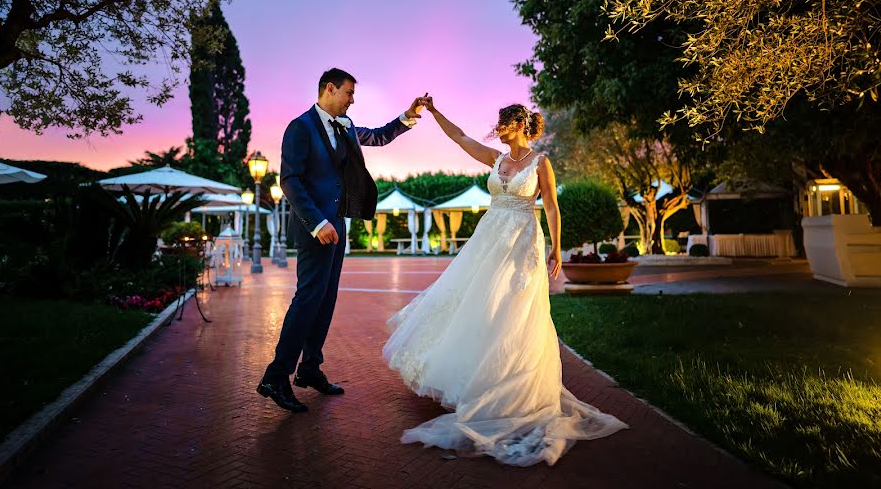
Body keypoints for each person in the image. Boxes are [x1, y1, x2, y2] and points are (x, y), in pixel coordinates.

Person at [383, 97, 628, 466]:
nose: (497, 128)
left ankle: (510, 389)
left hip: (521, 242)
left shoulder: (540, 162)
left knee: (511, 310)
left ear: (519, 124)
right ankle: (474, 381)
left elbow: (551, 206)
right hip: (487, 241)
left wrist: (558, 248)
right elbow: (460, 137)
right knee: (477, 305)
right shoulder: (494, 159)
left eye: (503, 123)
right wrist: (434, 113)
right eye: (497, 123)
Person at [258, 68, 426, 413]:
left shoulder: (346, 126)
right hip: (314, 228)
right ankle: (276, 376)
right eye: (348, 93)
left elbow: (378, 136)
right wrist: (317, 222)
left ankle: (309, 369)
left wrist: (408, 117)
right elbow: (289, 180)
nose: (352, 100)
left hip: (337, 224)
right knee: (308, 299)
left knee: (325, 300)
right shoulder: (300, 127)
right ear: (329, 89)